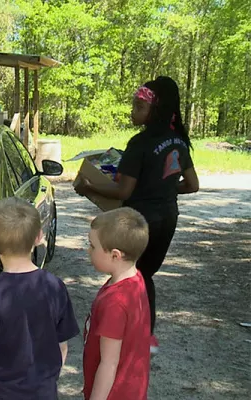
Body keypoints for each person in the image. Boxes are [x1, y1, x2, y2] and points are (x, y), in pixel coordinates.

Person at [75, 76, 200, 353]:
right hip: (168, 217)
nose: (133, 111)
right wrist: (164, 189)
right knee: (146, 274)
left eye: (138, 106)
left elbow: (122, 191)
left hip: (140, 221)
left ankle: (125, 335)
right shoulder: (178, 141)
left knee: (129, 276)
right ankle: (145, 336)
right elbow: (192, 184)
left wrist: (88, 186)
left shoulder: (140, 144)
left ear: (153, 110)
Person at [0, 197, 80, 399]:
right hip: (44, 391)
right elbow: (62, 345)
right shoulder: (54, 285)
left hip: (2, 393)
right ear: (39, 237)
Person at [82, 207, 151, 400]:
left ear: (115, 255)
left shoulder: (116, 302)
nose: (89, 251)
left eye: (92, 246)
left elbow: (109, 363)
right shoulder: (135, 279)